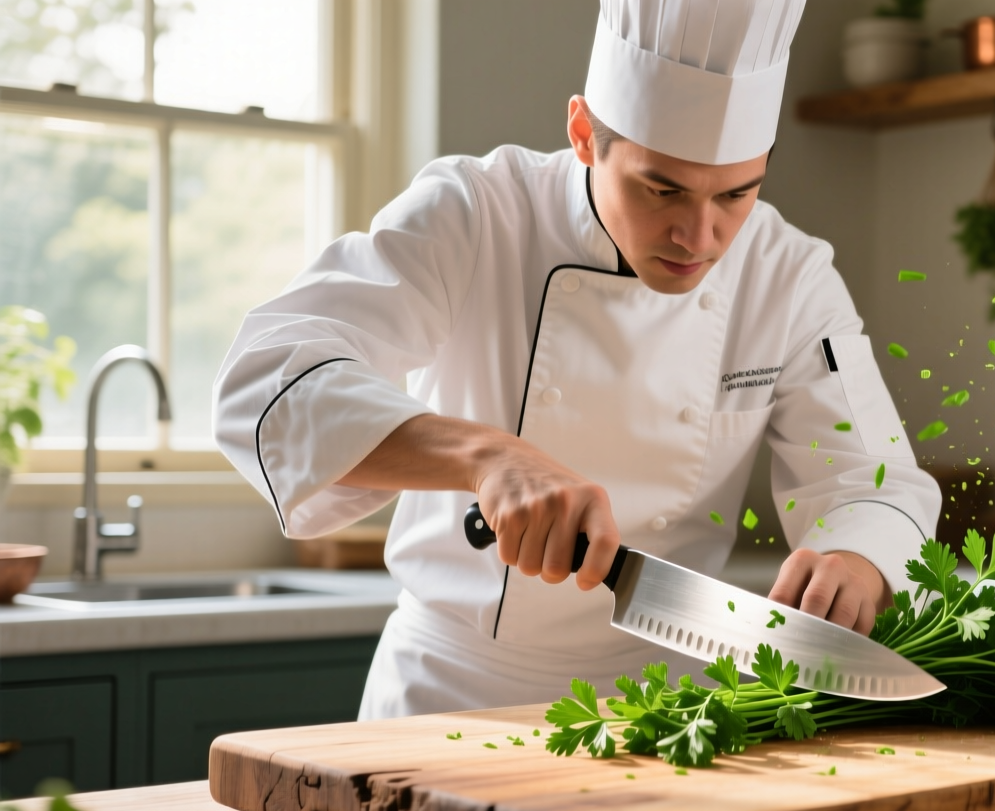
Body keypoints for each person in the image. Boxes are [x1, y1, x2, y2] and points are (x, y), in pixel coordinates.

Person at [213, 0, 940, 719]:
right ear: (585, 134)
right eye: (663, 189)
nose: (701, 236)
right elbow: (266, 380)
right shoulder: (475, 213)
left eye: (737, 194)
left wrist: (858, 559)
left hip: (667, 710)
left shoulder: (789, 273)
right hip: (449, 698)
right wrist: (486, 457)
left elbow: (876, 481)